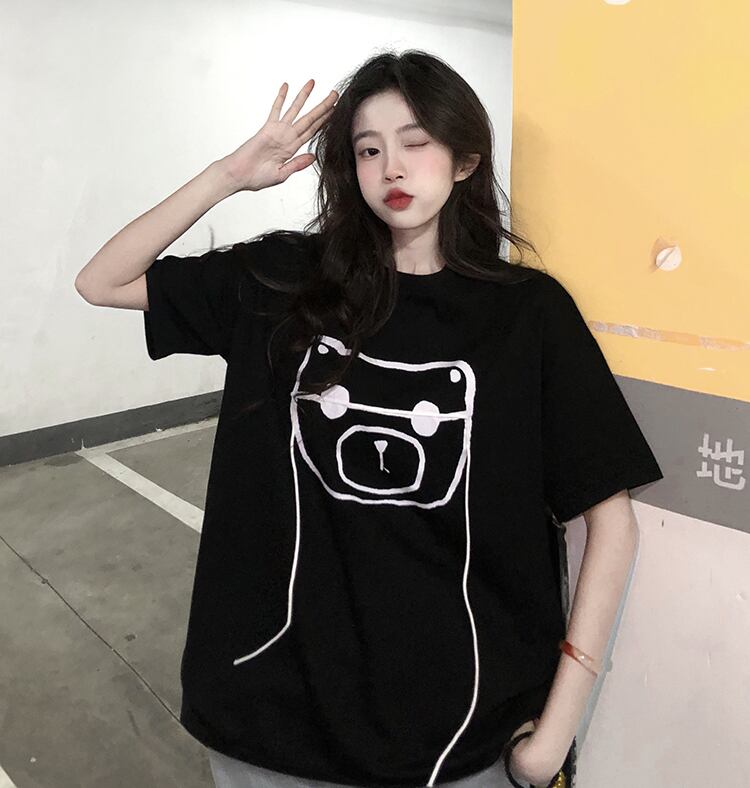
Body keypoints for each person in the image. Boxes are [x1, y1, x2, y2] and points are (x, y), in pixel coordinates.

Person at [75, 50, 663, 788]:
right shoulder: (285, 282)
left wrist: (556, 731)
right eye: (368, 150)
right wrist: (229, 174)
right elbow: (103, 281)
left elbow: (611, 520)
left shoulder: (526, 315)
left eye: (417, 143)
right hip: (269, 721)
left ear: (466, 160)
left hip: (456, 730)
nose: (393, 168)